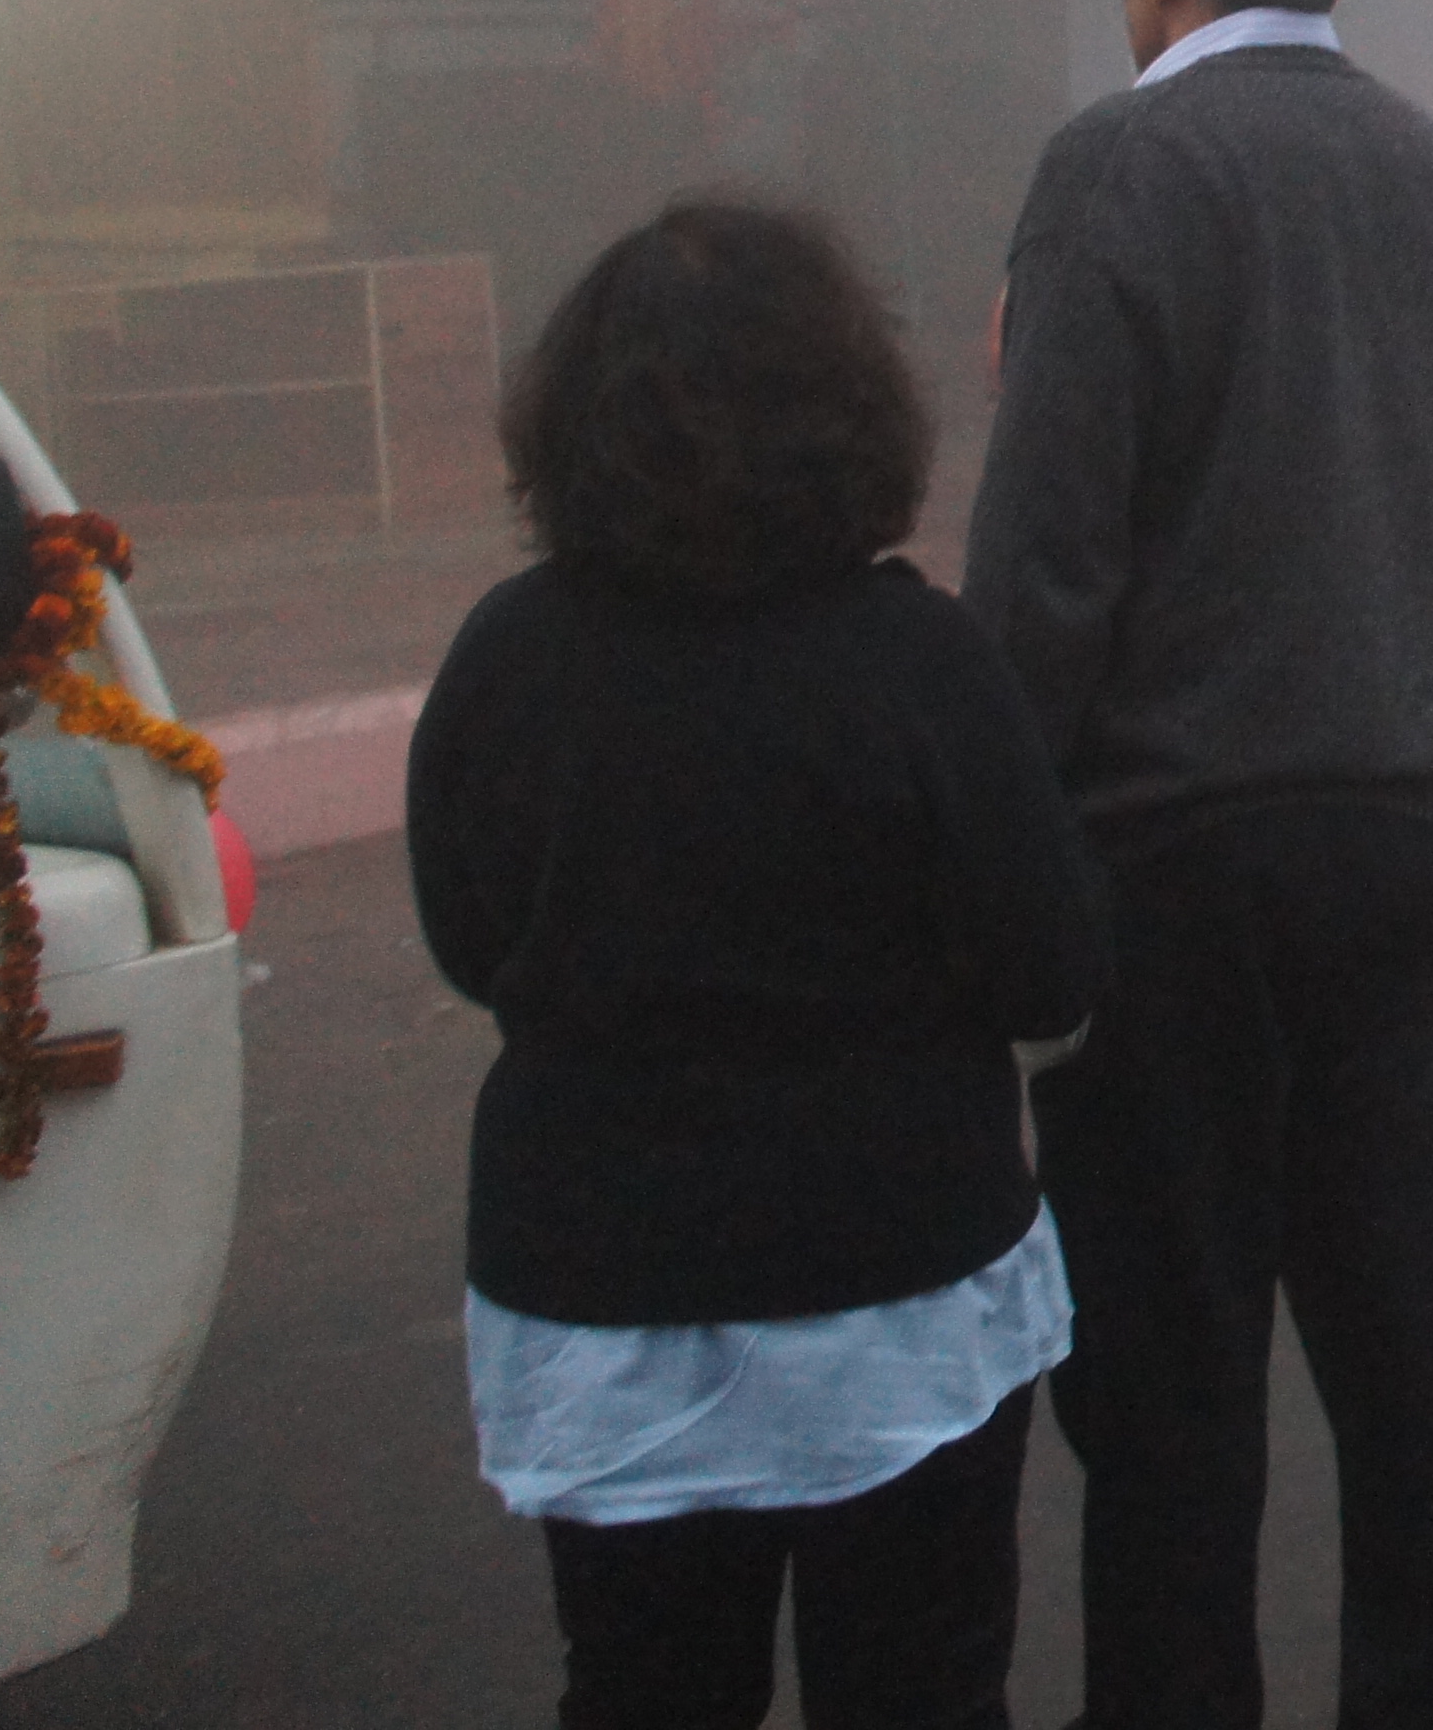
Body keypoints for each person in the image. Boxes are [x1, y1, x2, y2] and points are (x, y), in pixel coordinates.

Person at [967, 0, 1433, 1726]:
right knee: (1403, 1297)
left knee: (1168, 1350)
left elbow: (1048, 559)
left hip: (1179, 855)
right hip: (1412, 825)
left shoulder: (1121, 165)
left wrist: (1001, 851)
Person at [409, 198, 1102, 1730]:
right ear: (850, 410)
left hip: (602, 1298)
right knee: (921, 1691)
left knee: (642, 1691)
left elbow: (469, 939)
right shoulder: (920, 663)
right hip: (895, 1297)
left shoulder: (508, 656)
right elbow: (1051, 969)